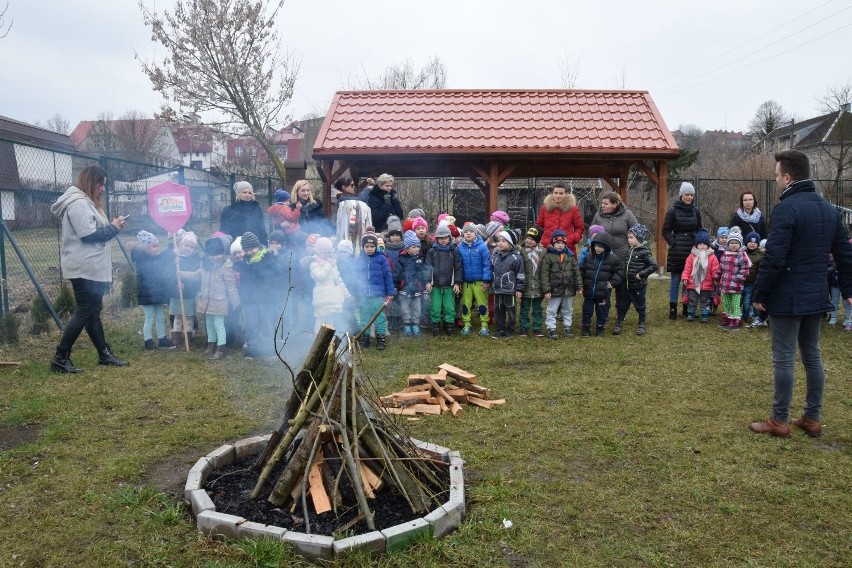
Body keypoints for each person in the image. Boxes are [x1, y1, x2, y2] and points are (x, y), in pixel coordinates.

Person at [749, 150, 852, 438]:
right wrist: (848, 289)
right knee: (812, 356)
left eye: (776, 175)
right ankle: (812, 418)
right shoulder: (829, 209)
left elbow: (775, 257)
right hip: (816, 294)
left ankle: (779, 421)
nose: (776, 180)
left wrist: (760, 291)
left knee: (783, 357)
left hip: (788, 295)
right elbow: (845, 254)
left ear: (787, 177)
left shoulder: (786, 209)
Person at [49, 165, 129, 372]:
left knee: (93, 312)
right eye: (100, 184)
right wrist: (114, 228)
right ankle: (60, 357)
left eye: (104, 184)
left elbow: (94, 229)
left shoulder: (88, 204)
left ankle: (104, 353)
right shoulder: (79, 204)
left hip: (92, 267)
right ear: (89, 182)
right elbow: (89, 236)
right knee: (85, 311)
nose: (102, 188)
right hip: (84, 267)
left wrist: (111, 224)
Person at [180, 236, 240, 360]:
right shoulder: (205, 265)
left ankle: (220, 348)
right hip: (206, 301)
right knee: (209, 324)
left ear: (222, 253)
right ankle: (210, 345)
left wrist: (235, 300)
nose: (215, 258)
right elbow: (196, 275)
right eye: (212, 255)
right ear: (208, 255)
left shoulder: (226, 266)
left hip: (219, 302)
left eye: (217, 254)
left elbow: (231, 285)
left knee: (219, 325)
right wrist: (181, 273)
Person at [235, 231, 281, 359]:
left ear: (258, 246)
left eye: (252, 249)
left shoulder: (268, 259)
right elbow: (242, 283)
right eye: (246, 250)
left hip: (266, 299)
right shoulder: (243, 263)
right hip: (250, 300)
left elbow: (274, 277)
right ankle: (252, 350)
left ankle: (269, 350)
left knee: (267, 325)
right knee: (251, 326)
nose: (249, 252)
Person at [662, 181, 703, 320]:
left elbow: (699, 230)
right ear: (681, 195)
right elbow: (665, 231)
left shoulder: (695, 211)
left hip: (692, 250)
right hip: (677, 251)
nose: (689, 197)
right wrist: (673, 243)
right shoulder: (672, 210)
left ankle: (687, 306)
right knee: (675, 280)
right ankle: (672, 307)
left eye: (691, 195)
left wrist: (699, 244)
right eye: (687, 194)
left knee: (689, 281)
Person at [131, 230, 176, 351]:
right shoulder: (141, 259)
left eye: (157, 246)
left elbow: (159, 264)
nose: (156, 249)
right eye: (154, 246)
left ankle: (162, 339)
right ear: (146, 247)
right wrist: (169, 254)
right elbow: (156, 265)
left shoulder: (152, 257)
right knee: (149, 318)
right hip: (147, 294)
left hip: (156, 294)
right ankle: (148, 341)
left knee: (160, 317)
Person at [613, 224, 658, 336]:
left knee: (640, 306)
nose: (629, 240)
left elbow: (654, 265)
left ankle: (642, 324)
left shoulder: (644, 252)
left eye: (631, 237)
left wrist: (642, 274)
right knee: (622, 305)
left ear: (639, 238)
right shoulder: (630, 250)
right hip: (626, 285)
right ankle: (619, 323)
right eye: (628, 237)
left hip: (638, 286)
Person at [540, 229, 582, 339]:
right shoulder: (548, 257)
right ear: (553, 243)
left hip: (569, 288)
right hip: (554, 289)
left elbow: (576, 271)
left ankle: (567, 327)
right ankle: (551, 328)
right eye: (558, 243)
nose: (560, 245)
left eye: (563, 243)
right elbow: (544, 275)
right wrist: (547, 290)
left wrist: (579, 286)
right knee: (552, 309)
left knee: (568, 309)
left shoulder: (570, 256)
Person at [579, 231, 623, 337]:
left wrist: (613, 282)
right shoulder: (588, 257)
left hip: (603, 293)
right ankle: (586, 329)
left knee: (602, 312)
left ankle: (600, 328)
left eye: (601, 246)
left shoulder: (613, 259)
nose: (598, 248)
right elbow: (581, 271)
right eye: (596, 245)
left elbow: (620, 271)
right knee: (587, 311)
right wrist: (580, 285)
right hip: (589, 291)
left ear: (607, 247)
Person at [357, 231, 395, 350]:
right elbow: (354, 277)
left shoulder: (381, 259)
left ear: (376, 246)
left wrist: (390, 293)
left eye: (372, 246)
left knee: (379, 317)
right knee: (364, 317)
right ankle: (365, 337)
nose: (369, 249)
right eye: (367, 247)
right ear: (363, 247)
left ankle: (381, 338)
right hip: (363, 295)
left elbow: (387, 276)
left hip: (378, 295)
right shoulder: (359, 260)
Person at [425, 224, 462, 336]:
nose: (443, 240)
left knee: (449, 307)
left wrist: (457, 282)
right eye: (440, 238)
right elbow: (427, 267)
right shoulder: (432, 251)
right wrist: (427, 281)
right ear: (436, 239)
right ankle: (435, 326)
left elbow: (458, 267)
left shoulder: (454, 251)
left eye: (445, 237)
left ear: (450, 238)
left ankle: (449, 325)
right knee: (435, 307)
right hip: (435, 285)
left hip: (449, 285)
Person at [393, 230, 430, 337]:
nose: (416, 249)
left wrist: (424, 287)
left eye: (417, 247)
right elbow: (395, 274)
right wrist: (396, 286)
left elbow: (424, 274)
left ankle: (415, 325)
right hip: (404, 289)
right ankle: (407, 325)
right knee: (405, 309)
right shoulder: (401, 259)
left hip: (417, 290)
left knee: (417, 309)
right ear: (407, 248)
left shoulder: (421, 258)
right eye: (413, 247)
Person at [458, 223, 492, 337]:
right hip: (466, 282)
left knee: (482, 303)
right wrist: (459, 281)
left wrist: (486, 280)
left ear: (475, 234)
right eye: (466, 231)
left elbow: (487, 264)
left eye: (471, 231)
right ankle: (467, 324)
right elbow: (458, 265)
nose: (468, 233)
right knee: (466, 304)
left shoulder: (482, 247)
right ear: (463, 234)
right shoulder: (459, 247)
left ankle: (484, 324)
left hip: (479, 281)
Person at [168, 230, 201, 346]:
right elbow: (169, 275)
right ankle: (176, 337)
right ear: (180, 245)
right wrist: (175, 284)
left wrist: (187, 285)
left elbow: (196, 276)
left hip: (189, 293)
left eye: (192, 247)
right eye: (186, 245)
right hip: (176, 292)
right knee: (177, 315)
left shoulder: (195, 259)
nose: (189, 248)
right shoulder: (175, 259)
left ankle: (188, 337)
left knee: (188, 316)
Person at [489, 230, 525, 339]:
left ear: (510, 243)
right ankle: (500, 329)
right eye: (499, 241)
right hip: (498, 289)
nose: (500, 243)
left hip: (510, 290)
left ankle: (510, 330)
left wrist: (519, 289)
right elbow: (492, 270)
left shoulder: (516, 257)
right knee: (498, 310)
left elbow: (521, 274)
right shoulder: (496, 256)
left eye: (503, 241)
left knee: (511, 310)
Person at [310, 237, 350, 333]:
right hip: (322, 298)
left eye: (329, 252)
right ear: (318, 252)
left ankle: (328, 342)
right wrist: (328, 265)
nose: (327, 255)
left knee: (330, 320)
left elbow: (338, 280)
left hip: (333, 298)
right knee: (320, 320)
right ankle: (317, 342)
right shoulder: (314, 264)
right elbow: (320, 276)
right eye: (325, 253)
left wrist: (347, 294)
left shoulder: (332, 263)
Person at [681, 229, 719, 323]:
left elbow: (715, 269)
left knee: (705, 300)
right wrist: (685, 277)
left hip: (706, 284)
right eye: (700, 244)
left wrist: (716, 278)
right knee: (692, 300)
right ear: (696, 245)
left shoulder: (712, 257)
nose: (702, 246)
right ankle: (690, 313)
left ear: (708, 245)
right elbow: (687, 268)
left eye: (704, 244)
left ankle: (704, 314)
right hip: (692, 283)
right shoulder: (692, 256)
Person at [716, 228, 751, 330]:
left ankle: (735, 320)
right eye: (731, 243)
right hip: (725, 284)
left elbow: (745, 270)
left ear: (740, 244)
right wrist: (717, 278)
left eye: (736, 243)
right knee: (726, 302)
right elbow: (720, 268)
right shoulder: (725, 254)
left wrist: (737, 279)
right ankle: (727, 317)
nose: (733, 245)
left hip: (736, 285)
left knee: (735, 303)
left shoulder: (742, 255)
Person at [535, 181, 584, 253]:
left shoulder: (573, 209)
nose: (558, 196)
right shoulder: (545, 208)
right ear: (552, 193)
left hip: (567, 247)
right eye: (556, 193)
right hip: (547, 247)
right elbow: (539, 226)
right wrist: (543, 240)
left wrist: (572, 239)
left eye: (561, 193)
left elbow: (579, 228)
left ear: (566, 194)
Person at [220, 180, 267, 245]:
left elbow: (262, 230)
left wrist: (264, 245)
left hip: (255, 246)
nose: (247, 195)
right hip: (236, 246)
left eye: (250, 193)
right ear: (238, 194)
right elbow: (224, 231)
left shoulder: (257, 209)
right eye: (244, 192)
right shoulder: (228, 210)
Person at [519, 227, 546, 337]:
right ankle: (523, 328)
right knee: (524, 308)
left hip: (538, 286)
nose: (529, 241)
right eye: (528, 238)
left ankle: (537, 328)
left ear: (538, 240)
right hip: (526, 286)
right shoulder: (521, 251)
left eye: (533, 239)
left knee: (537, 309)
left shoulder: (543, 252)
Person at [741, 231, 763, 325]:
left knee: (749, 300)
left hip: (752, 282)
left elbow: (760, 270)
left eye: (755, 242)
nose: (752, 244)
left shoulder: (760, 256)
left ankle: (750, 317)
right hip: (741, 281)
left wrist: (758, 281)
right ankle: (740, 315)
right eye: (750, 242)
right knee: (740, 299)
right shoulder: (742, 253)